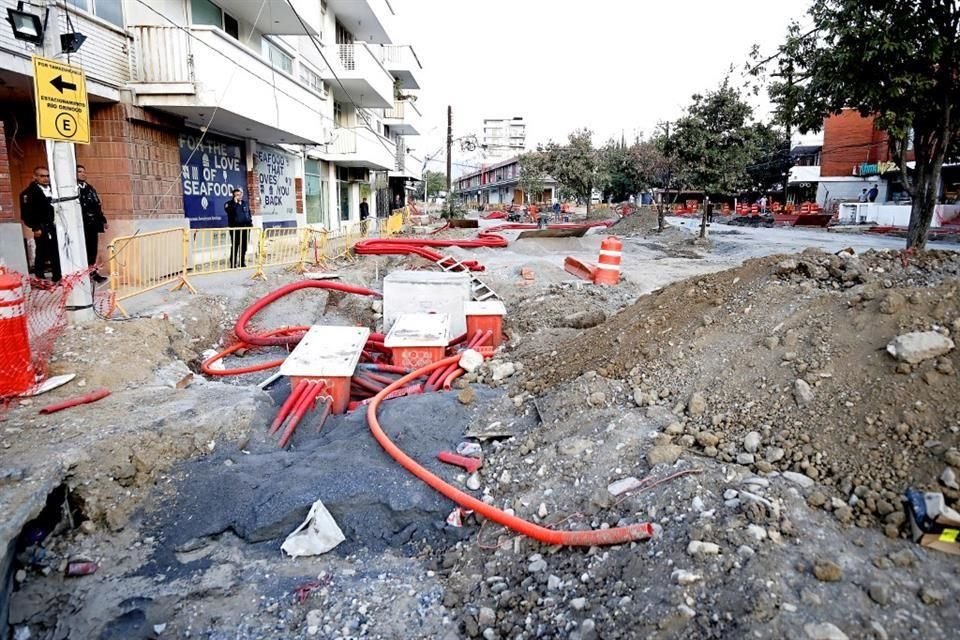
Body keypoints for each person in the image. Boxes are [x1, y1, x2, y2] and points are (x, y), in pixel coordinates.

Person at [20, 166, 61, 282]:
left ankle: (57, 276)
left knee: (56, 252)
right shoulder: (28, 193)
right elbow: (26, 214)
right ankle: (40, 278)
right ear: (35, 177)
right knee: (42, 253)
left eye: (47, 176)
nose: (46, 178)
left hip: (55, 225)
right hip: (41, 227)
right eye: (42, 176)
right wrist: (35, 227)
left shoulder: (54, 190)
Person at [76, 164, 108, 283]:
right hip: (80, 225)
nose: (83, 174)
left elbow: (97, 206)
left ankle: (92, 273)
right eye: (79, 171)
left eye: (84, 171)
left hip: (92, 225)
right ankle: (81, 275)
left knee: (92, 250)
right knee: (81, 251)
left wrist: (102, 220)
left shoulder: (89, 188)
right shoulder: (73, 189)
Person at [223, 188, 251, 268]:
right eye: (237, 195)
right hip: (235, 229)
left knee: (244, 246)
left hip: (245, 229)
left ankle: (242, 262)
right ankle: (233, 263)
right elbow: (230, 212)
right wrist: (235, 204)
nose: (239, 196)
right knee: (235, 246)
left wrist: (250, 224)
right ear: (234, 196)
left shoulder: (245, 203)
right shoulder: (229, 204)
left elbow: (248, 214)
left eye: (240, 194)